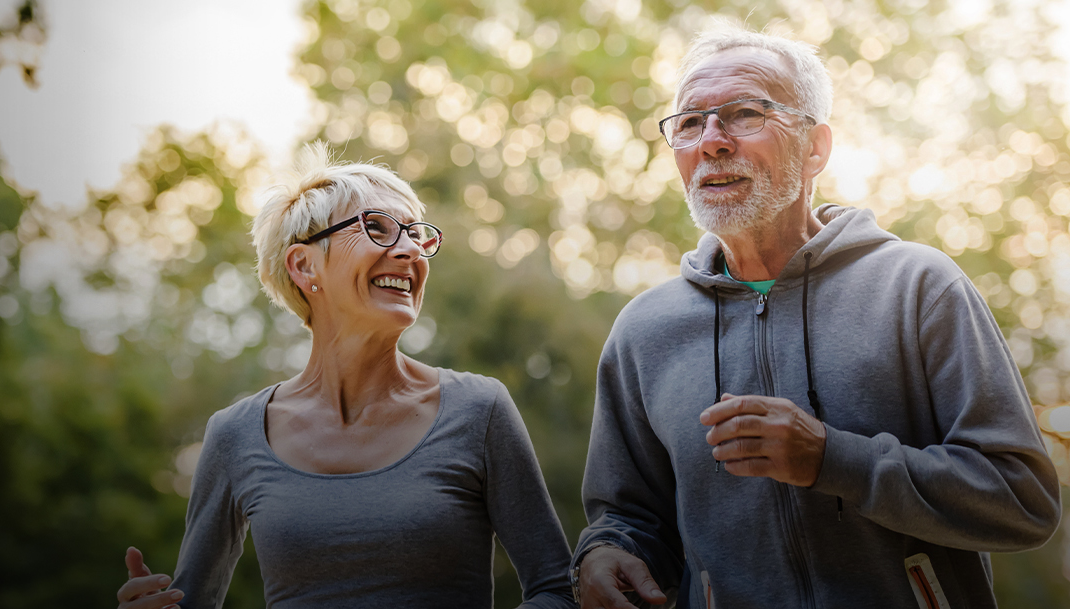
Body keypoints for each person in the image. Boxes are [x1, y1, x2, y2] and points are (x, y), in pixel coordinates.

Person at [572, 26, 1062, 608]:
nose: (712, 142)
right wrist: (605, 552)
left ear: (815, 148)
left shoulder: (918, 287)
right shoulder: (644, 330)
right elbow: (627, 515)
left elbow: (1023, 500)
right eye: (689, 123)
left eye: (744, 114)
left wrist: (832, 460)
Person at [117, 143, 576, 609]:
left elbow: (558, 592)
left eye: (417, 236)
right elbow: (190, 601)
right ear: (304, 266)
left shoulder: (479, 410)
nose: (409, 251)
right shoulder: (234, 434)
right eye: (377, 228)